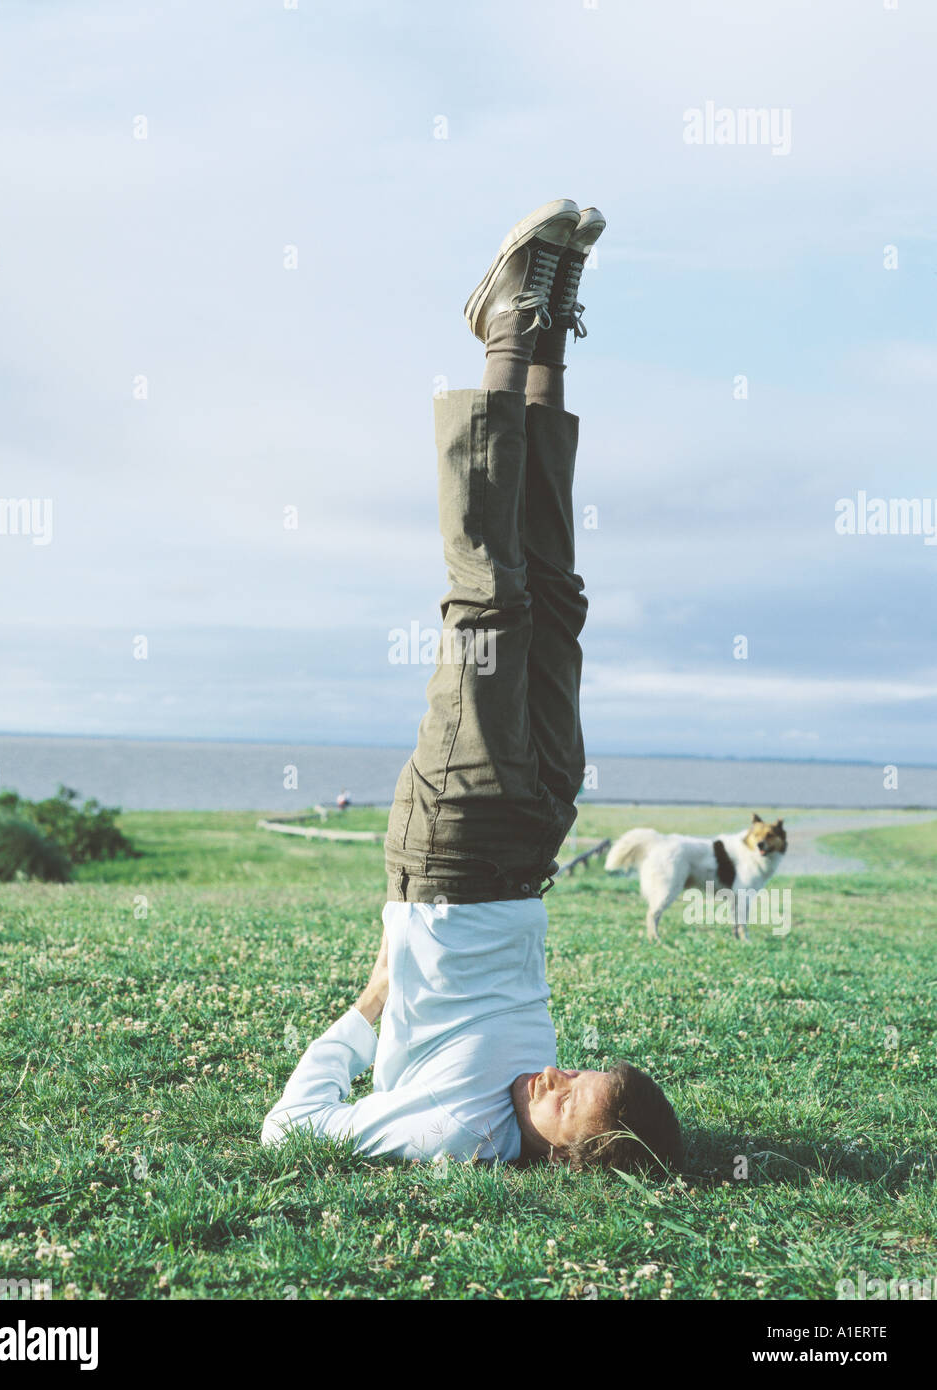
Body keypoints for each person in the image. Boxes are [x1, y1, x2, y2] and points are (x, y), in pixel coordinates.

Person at [262, 200, 682, 1172]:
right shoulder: (534, 1092)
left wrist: (367, 1009)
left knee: (490, 606)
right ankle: (546, 336)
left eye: (571, 1102)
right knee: (556, 602)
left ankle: (504, 327)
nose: (556, 1080)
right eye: (582, 1075)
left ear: (575, 1149)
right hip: (534, 831)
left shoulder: (463, 1134)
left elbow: (292, 1131)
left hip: (452, 847)